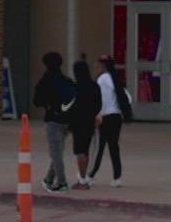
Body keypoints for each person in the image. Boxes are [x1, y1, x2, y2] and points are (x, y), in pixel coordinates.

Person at [30, 51, 73, 193]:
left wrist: (47, 104)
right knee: (58, 151)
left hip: (53, 120)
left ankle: (62, 182)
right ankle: (48, 179)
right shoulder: (67, 81)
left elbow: (36, 101)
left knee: (56, 153)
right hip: (67, 120)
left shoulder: (45, 81)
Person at [91, 54, 126, 187]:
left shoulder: (103, 79)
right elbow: (125, 97)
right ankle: (117, 177)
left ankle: (90, 175)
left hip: (106, 116)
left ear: (103, 66)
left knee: (99, 147)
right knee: (113, 147)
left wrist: (98, 115)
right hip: (117, 116)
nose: (95, 66)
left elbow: (102, 100)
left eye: (98, 64)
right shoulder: (115, 78)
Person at [66, 59, 101, 190]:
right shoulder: (94, 86)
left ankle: (82, 180)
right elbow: (98, 104)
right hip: (89, 121)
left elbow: (70, 105)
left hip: (77, 122)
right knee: (86, 150)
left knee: (79, 150)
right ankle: (84, 175)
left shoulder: (74, 87)